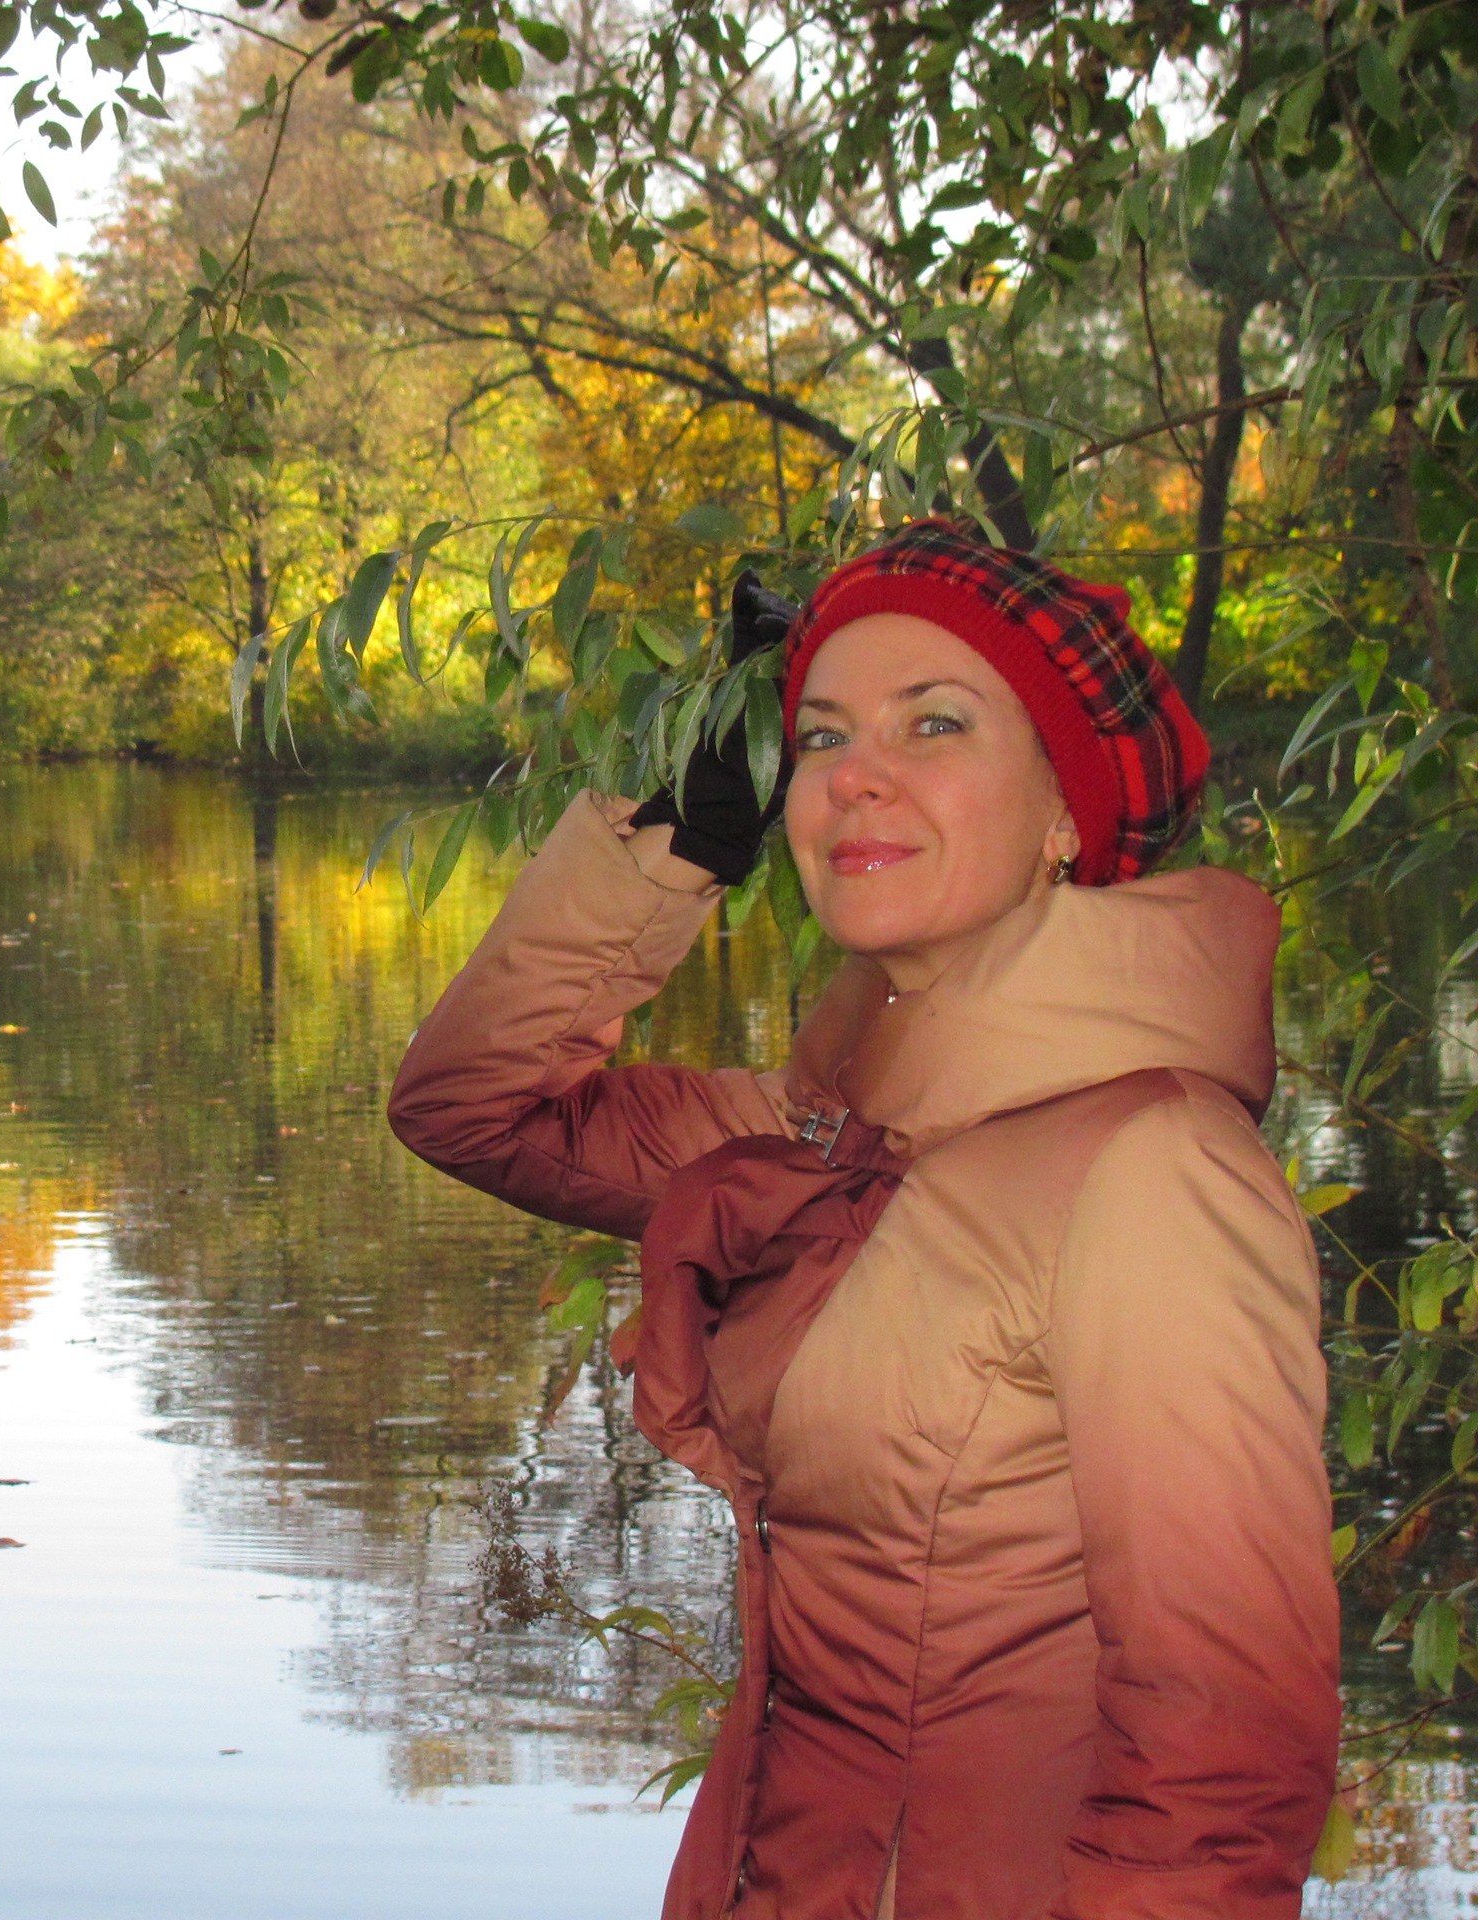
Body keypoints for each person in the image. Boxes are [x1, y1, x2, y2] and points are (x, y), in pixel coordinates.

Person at [388, 520, 1339, 1920]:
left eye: (933, 723)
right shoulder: (829, 1131)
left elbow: (1222, 1760)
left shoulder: (1152, 1171)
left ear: (1066, 810)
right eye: (821, 737)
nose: (854, 778)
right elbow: (473, 1107)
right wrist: (679, 842)